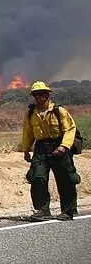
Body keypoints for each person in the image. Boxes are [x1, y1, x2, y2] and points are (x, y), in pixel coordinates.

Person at [21, 81, 81, 221]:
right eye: (35, 94)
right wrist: (26, 149)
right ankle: (42, 210)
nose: (38, 97)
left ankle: (68, 211)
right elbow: (28, 132)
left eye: (41, 94)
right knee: (37, 177)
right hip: (41, 147)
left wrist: (64, 146)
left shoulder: (59, 111)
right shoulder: (31, 113)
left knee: (65, 178)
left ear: (47, 95)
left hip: (58, 146)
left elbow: (70, 129)